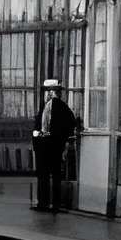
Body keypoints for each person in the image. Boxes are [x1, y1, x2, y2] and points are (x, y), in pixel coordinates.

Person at [32, 77, 76, 214]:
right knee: (54, 175)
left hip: (49, 146)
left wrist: (38, 136)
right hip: (53, 146)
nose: (46, 94)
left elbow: (42, 128)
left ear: (51, 92)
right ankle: (52, 204)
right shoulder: (58, 107)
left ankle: (45, 203)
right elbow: (70, 124)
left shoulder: (51, 107)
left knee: (45, 176)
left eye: (47, 91)